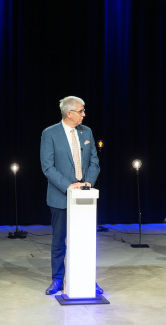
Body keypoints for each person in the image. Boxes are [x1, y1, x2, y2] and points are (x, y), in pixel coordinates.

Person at [40, 96, 102, 295]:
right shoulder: (49, 134)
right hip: (61, 196)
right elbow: (48, 167)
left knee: (84, 240)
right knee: (59, 241)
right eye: (81, 111)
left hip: (85, 198)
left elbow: (94, 162)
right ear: (69, 113)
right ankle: (57, 279)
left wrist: (88, 183)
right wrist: (69, 187)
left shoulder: (87, 132)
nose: (84, 114)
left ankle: (86, 279)